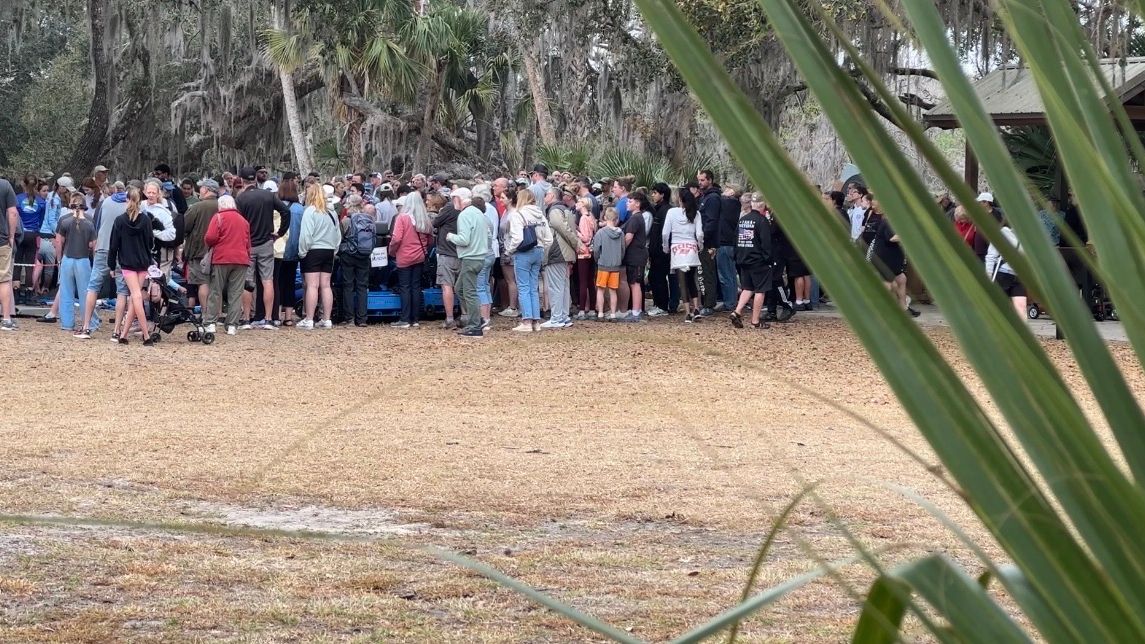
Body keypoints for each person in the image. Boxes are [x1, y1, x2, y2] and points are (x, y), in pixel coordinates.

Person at [235, 166, 290, 330]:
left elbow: (238, 221)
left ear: (242, 180)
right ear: (255, 179)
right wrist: (280, 233)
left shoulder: (241, 199)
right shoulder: (268, 195)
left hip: (248, 244)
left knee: (247, 282)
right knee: (268, 281)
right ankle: (268, 319)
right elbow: (286, 211)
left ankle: (246, 319)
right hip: (266, 242)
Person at [75, 181, 128, 339]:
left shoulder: (105, 203)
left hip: (103, 247)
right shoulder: (130, 204)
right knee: (122, 291)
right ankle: (116, 331)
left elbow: (96, 226)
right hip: (122, 251)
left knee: (93, 286)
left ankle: (86, 327)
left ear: (113, 190)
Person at [106, 187, 156, 346]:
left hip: (127, 262)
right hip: (142, 262)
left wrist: (111, 265)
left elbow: (113, 245)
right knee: (136, 297)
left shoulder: (120, 220)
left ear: (127, 200)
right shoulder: (146, 220)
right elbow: (150, 242)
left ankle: (146, 336)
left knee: (135, 296)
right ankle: (124, 334)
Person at [203, 195, 251, 336]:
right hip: (241, 259)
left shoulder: (218, 217)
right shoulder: (244, 221)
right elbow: (248, 243)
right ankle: (232, 325)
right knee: (236, 293)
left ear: (220, 205)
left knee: (215, 291)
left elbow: (210, 237)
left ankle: (211, 322)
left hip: (221, 258)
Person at [504, 189, 552, 332]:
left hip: (523, 253)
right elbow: (549, 238)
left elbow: (517, 238)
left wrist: (509, 250)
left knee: (523, 287)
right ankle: (536, 320)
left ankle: (526, 321)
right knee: (533, 287)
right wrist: (542, 247)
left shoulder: (517, 214)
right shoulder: (540, 215)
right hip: (538, 251)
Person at [445, 188, 489, 337]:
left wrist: (450, 236)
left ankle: (475, 326)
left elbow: (464, 240)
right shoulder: (478, 213)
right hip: (479, 257)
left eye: (454, 198)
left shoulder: (464, 215)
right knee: (460, 289)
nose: (453, 202)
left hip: (470, 257)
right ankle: (477, 319)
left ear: (459, 199)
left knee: (468, 292)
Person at [296, 183, 339, 330]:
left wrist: (302, 252)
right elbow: (337, 234)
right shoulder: (332, 213)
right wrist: (334, 249)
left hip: (313, 250)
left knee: (312, 285)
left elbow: (306, 235)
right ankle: (326, 319)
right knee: (326, 285)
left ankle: (309, 319)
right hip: (329, 250)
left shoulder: (310, 211)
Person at [388, 190, 433, 328]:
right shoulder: (425, 219)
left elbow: (396, 238)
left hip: (404, 256)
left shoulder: (402, 218)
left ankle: (405, 318)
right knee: (416, 286)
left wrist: (392, 251)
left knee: (405, 287)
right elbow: (430, 240)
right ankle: (415, 319)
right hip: (419, 256)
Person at [55, 192, 97, 332]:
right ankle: (89, 323)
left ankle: (67, 324)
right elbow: (93, 245)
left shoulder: (64, 220)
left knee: (66, 292)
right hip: (83, 260)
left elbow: (59, 242)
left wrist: (59, 259)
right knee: (86, 293)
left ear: (71, 204)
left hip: (67, 259)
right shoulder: (90, 221)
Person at [729, 194, 771, 329]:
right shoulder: (762, 221)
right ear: (763, 205)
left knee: (747, 287)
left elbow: (736, 239)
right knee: (760, 290)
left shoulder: (743, 220)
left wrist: (737, 256)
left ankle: (737, 311)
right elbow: (766, 242)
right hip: (758, 260)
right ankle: (755, 320)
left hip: (743, 258)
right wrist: (768, 259)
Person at [664, 188, 705, 323]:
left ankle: (688, 312)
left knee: (682, 282)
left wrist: (665, 247)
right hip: (691, 248)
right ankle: (696, 308)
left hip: (677, 248)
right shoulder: (696, 213)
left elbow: (665, 233)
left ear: (680, 200)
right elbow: (699, 234)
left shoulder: (671, 212)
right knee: (692, 280)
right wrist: (700, 246)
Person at [868, 202, 915, 316]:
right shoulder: (888, 221)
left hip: (893, 256)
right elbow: (892, 238)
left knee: (902, 279)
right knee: (888, 283)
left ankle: (903, 307)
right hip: (884, 257)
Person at [541, 185, 577, 329]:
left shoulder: (554, 210)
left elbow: (561, 227)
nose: (544, 198)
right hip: (565, 252)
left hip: (556, 252)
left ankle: (556, 318)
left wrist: (577, 243)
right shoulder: (565, 209)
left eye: (546, 195)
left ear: (551, 196)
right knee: (563, 285)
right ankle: (563, 316)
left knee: (555, 286)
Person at [337, 194, 374, 327]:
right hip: (364, 255)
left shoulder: (346, 221)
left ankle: (349, 318)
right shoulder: (369, 220)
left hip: (348, 255)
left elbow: (339, 238)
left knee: (348, 286)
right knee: (362, 286)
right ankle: (362, 318)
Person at [183, 179, 220, 309]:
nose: (199, 190)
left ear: (206, 190)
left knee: (203, 283)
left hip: (199, 252)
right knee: (216, 285)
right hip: (219, 252)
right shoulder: (222, 206)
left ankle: (206, 313)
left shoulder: (196, 207)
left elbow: (185, 226)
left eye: (201, 188)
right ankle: (217, 313)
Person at [620, 190, 652, 322]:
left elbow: (628, 237)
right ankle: (635, 310)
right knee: (633, 282)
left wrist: (620, 250)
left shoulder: (635, 218)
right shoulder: (636, 217)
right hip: (634, 256)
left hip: (636, 256)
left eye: (630, 201)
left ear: (637, 204)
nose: (627, 203)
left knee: (635, 283)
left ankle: (636, 312)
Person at [986, 218, 1027, 317]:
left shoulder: (1027, 236)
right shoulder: (1002, 233)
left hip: (1019, 276)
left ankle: (1021, 326)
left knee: (1021, 307)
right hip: (1003, 274)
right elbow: (991, 256)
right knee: (999, 308)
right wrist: (989, 274)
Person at [278, 178, 305, 326]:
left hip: (278, 251)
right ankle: (288, 317)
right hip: (294, 251)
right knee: (290, 283)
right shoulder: (301, 209)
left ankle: (276, 315)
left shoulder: (277, 206)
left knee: (276, 282)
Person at [472, 184, 499, 328]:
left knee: (480, 286)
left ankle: (483, 318)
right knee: (486, 285)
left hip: (482, 253)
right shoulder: (490, 214)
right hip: (490, 252)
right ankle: (486, 316)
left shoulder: (480, 217)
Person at [592, 208, 625, 321]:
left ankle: (601, 313)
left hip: (603, 264)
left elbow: (596, 250)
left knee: (600, 290)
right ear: (616, 219)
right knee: (613, 290)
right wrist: (618, 260)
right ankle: (613, 314)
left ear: (605, 218)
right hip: (615, 265)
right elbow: (623, 249)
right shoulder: (621, 233)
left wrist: (597, 260)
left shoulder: (600, 233)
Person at [696, 171, 721, 314]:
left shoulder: (713, 198)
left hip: (707, 242)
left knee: (707, 273)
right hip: (702, 241)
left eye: (703, 180)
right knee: (702, 273)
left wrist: (704, 239)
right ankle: (705, 302)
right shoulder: (704, 197)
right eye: (699, 180)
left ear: (710, 180)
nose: (700, 183)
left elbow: (711, 221)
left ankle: (709, 304)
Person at [647, 183, 673, 317]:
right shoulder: (656, 209)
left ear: (662, 195)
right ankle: (657, 304)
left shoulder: (667, 210)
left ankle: (662, 306)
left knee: (659, 278)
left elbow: (665, 233)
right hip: (655, 251)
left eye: (655, 193)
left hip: (662, 251)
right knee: (653, 277)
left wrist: (663, 249)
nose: (653, 195)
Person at [495, 185, 520, 318]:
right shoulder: (505, 212)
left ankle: (513, 306)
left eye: (503, 198)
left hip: (509, 249)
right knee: (510, 279)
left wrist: (509, 250)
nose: (500, 200)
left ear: (510, 199)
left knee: (511, 279)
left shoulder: (513, 214)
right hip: (504, 247)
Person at [716, 185, 741, 312]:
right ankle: (731, 300)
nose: (724, 190)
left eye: (728, 188)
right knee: (730, 273)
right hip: (730, 243)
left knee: (725, 274)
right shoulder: (734, 205)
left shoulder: (729, 203)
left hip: (725, 243)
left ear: (732, 192)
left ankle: (729, 302)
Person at [574, 196, 597, 320]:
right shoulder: (591, 217)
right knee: (590, 281)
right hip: (591, 252)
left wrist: (575, 231)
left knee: (583, 281)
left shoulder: (583, 218)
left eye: (579, 202)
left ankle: (582, 309)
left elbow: (585, 238)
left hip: (584, 253)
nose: (576, 203)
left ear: (583, 204)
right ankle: (592, 308)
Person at [0, 177, 17, 331]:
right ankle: (6, 319)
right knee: (4, 279)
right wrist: (11, 236)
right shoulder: (5, 185)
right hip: (2, 240)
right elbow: (12, 213)